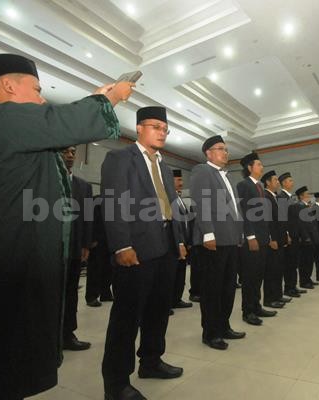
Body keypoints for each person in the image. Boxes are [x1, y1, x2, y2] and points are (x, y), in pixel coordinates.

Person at [0, 53, 131, 399]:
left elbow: (60, 126)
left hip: (18, 261)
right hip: (6, 263)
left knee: (9, 367)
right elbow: (66, 121)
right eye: (36, 89)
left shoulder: (11, 126)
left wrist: (97, 98)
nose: (41, 98)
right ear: (9, 85)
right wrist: (109, 98)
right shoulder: (0, 118)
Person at [100, 106, 186, 400]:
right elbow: (113, 202)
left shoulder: (163, 165)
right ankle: (116, 383)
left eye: (165, 128)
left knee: (158, 310)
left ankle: (150, 361)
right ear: (139, 128)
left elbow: (170, 205)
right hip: (135, 248)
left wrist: (179, 240)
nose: (162, 132)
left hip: (165, 246)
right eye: (156, 127)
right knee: (127, 317)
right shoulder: (120, 158)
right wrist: (121, 245)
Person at [190, 135, 246, 350]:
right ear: (208, 153)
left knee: (228, 287)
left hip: (230, 239)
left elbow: (234, 209)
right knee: (212, 289)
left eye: (226, 149)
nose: (225, 153)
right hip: (213, 240)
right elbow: (200, 202)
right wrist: (208, 233)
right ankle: (210, 333)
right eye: (220, 149)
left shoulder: (226, 177)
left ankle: (224, 326)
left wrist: (239, 234)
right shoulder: (202, 171)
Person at [237, 152, 280, 325]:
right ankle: (248, 311)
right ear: (249, 167)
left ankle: (256, 306)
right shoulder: (243, 185)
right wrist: (250, 236)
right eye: (259, 164)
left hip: (263, 238)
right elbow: (244, 212)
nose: (262, 167)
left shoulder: (260, 187)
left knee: (259, 275)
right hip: (251, 239)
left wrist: (268, 236)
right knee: (249, 276)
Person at [60, 146, 93, 351]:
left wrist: (86, 244)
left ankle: (67, 334)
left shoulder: (83, 186)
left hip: (73, 248)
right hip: (48, 250)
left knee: (71, 292)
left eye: (73, 152)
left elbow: (87, 218)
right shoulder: (44, 182)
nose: (70, 155)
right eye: (65, 151)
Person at [262, 170, 291, 308]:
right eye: (275, 180)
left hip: (280, 238)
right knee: (271, 271)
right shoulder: (266, 197)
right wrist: (271, 238)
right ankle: (269, 299)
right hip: (273, 240)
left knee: (278, 268)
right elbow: (267, 221)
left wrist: (285, 235)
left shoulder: (275, 197)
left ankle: (278, 295)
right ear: (268, 182)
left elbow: (281, 221)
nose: (277, 182)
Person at [276, 172, 305, 298]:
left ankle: (293, 286)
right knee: (289, 263)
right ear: (283, 183)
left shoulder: (290, 197)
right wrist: (286, 234)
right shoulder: (282, 197)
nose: (292, 182)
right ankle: (288, 288)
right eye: (290, 180)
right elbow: (282, 219)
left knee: (294, 263)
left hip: (295, 234)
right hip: (289, 236)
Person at [171, 169, 194, 311]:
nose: (181, 183)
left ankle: (176, 299)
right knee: (171, 275)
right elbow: (174, 222)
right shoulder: (168, 198)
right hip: (174, 243)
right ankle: (167, 302)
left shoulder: (179, 198)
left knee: (180, 273)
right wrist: (179, 241)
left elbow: (185, 222)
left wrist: (188, 240)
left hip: (184, 242)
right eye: (178, 180)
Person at [85, 197, 114, 305]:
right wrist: (91, 238)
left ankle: (105, 293)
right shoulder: (95, 201)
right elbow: (88, 220)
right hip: (97, 240)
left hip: (110, 239)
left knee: (109, 267)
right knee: (95, 268)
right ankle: (91, 296)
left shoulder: (118, 200)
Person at [296, 187, 319, 289]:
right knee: (305, 261)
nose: (309, 196)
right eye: (306, 194)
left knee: (310, 260)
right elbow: (301, 224)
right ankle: (304, 281)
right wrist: (305, 237)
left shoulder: (308, 206)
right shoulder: (299, 207)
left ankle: (308, 278)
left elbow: (312, 224)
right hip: (306, 238)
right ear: (301, 196)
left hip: (312, 237)